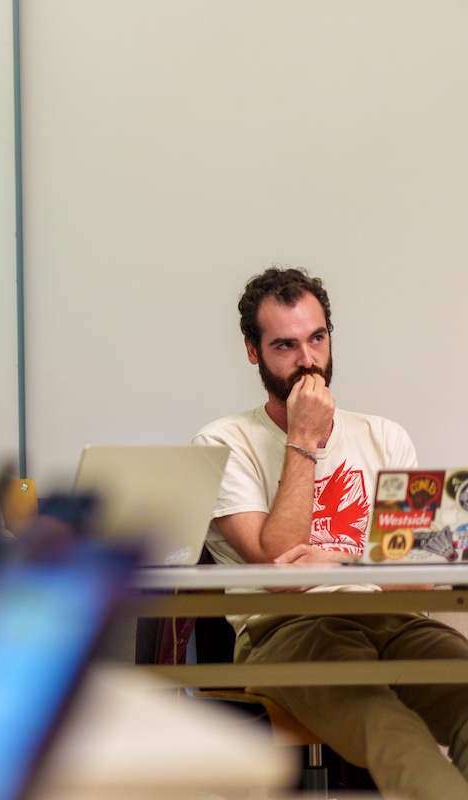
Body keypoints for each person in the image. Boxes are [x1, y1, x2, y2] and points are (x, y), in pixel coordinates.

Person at [194, 266, 468, 799]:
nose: (307, 361)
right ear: (254, 352)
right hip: (289, 630)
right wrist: (304, 439)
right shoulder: (221, 441)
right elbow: (279, 571)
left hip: (390, 621)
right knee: (395, 735)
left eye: (317, 338)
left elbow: (412, 581)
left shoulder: (385, 435)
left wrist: (340, 563)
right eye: (285, 345)